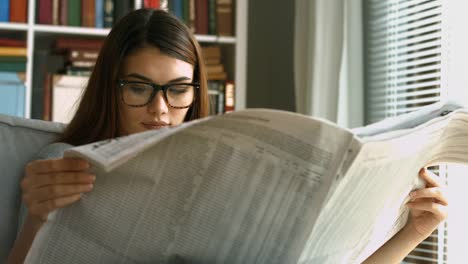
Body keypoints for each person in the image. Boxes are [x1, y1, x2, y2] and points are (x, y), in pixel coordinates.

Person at [8, 8, 447, 264]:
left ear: (197, 91)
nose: (160, 110)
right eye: (139, 87)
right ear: (111, 87)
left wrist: (412, 232)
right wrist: (37, 218)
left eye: (178, 89)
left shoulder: (232, 173)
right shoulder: (62, 161)